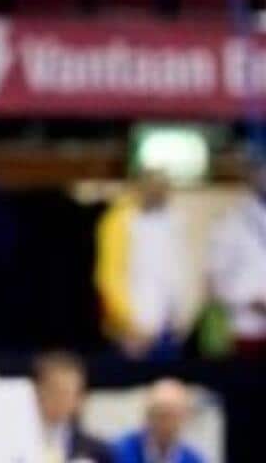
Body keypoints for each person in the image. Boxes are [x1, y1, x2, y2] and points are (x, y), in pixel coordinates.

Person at [95, 169, 190, 360]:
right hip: (132, 327)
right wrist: (129, 322)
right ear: (139, 188)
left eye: (162, 187)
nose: (158, 191)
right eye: (152, 186)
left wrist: (181, 315)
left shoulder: (174, 219)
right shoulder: (120, 220)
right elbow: (108, 275)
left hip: (167, 324)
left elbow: (178, 270)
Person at [206, 153, 266, 357]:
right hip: (243, 330)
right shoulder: (231, 223)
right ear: (252, 175)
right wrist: (252, 301)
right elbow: (214, 280)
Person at [31, 350, 113, 463]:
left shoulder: (96, 451)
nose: (61, 400)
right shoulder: (13, 439)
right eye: (55, 391)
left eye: (68, 393)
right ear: (38, 391)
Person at [112, 379, 205, 463]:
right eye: (159, 415)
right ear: (147, 416)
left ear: (184, 417)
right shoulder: (118, 452)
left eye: (171, 416)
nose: (165, 424)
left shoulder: (193, 459)